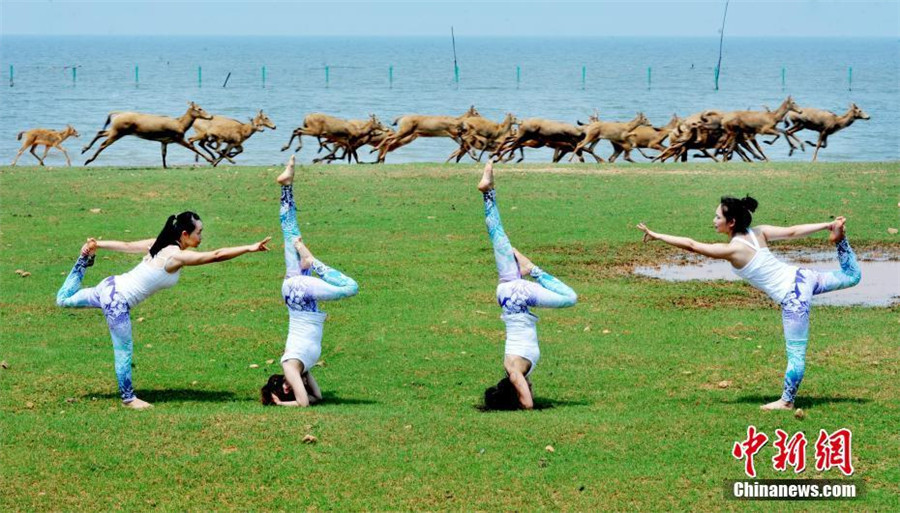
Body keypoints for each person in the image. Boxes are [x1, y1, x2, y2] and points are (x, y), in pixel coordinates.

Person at [637, 195, 861, 410]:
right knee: (852, 276)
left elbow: (692, 245)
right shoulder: (759, 232)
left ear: (731, 222)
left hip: (794, 298)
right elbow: (793, 231)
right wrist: (827, 225)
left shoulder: (733, 249)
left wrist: (658, 235)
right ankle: (839, 239)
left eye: (717, 217)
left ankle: (786, 401)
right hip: (803, 277)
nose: (714, 221)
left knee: (796, 353)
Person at [56, 212, 271, 409]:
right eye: (199, 232)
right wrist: (249, 248)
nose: (201, 237)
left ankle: (84, 259)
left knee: (63, 299)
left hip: (109, 287)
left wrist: (96, 245)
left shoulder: (158, 244)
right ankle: (128, 398)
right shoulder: (174, 256)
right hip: (117, 301)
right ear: (185, 234)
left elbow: (127, 245)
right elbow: (215, 255)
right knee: (123, 349)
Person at [478, 160, 577, 410]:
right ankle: (488, 192)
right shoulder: (510, 367)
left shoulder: (514, 373)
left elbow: (528, 405)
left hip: (519, 298)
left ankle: (531, 269)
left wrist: (523, 406)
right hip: (507, 295)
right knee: (499, 238)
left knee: (570, 298)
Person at [266, 155, 358, 407]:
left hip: (300, 295)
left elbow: (304, 404)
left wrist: (281, 403)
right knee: (290, 234)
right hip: (297, 296)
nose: (288, 385)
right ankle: (287, 185)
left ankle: (311, 258)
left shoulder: (289, 366)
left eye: (282, 386)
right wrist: (300, 387)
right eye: (287, 389)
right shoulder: (303, 369)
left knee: (350, 288)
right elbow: (316, 398)